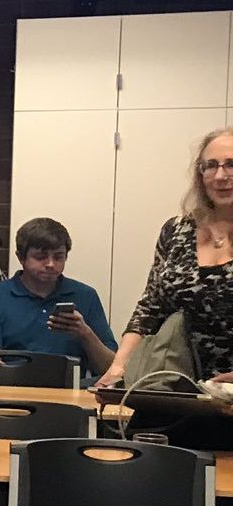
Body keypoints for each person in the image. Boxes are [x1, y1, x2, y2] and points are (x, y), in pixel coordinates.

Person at [97, 127, 233, 391]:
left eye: (231, 164)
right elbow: (150, 307)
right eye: (211, 165)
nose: (220, 176)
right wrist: (119, 367)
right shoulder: (177, 230)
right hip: (173, 387)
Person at [0, 220, 118, 383]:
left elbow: (110, 368)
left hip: (69, 392)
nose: (51, 264)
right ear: (21, 257)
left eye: (58, 257)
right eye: (41, 257)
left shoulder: (85, 296)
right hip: (9, 389)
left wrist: (85, 334)